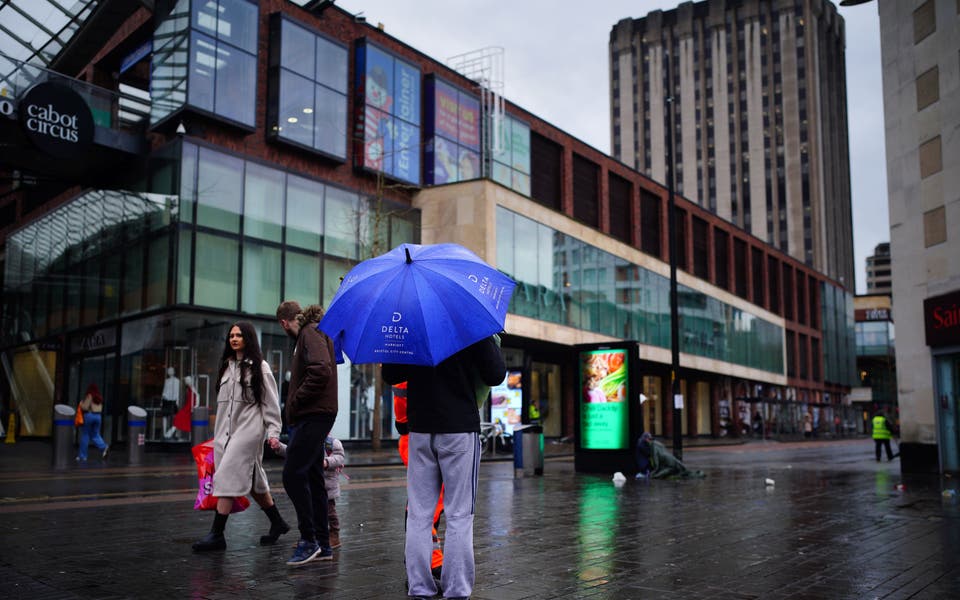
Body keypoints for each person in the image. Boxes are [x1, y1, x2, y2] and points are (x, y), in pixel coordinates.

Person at [382, 335, 506, 600]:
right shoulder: (468, 323)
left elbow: (391, 374)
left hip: (420, 430)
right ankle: (457, 591)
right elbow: (495, 373)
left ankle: (420, 588)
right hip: (459, 429)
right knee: (460, 514)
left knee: (419, 515)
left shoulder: (412, 324)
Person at [192, 322, 290, 552]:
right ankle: (278, 522)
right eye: (231, 335)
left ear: (248, 338)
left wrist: (274, 432)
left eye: (239, 335)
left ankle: (217, 534)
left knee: (226, 475)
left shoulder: (260, 368)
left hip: (249, 432)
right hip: (226, 434)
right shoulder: (227, 367)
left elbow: (271, 404)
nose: (234, 339)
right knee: (254, 480)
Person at [274, 300, 339, 567]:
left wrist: (296, 400)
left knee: (291, 474)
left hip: (313, 414)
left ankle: (309, 539)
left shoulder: (308, 333)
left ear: (284, 323)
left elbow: (321, 370)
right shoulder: (314, 331)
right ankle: (323, 544)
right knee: (313, 477)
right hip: (316, 413)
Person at [393, 382, 444, 580]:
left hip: (416, 434)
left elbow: (401, 404)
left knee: (426, 502)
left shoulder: (407, 355)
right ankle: (430, 562)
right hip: (426, 435)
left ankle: (420, 559)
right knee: (426, 504)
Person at [323, 435, 345, 549]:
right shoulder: (307, 438)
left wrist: (327, 462)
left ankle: (334, 534)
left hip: (328, 486)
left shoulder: (332, 442)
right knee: (310, 512)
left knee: (330, 512)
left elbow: (340, 458)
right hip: (311, 484)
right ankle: (310, 537)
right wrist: (279, 447)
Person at [76, 383, 109, 462]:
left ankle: (82, 456)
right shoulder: (99, 397)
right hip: (98, 417)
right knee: (95, 434)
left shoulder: (90, 395)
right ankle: (104, 447)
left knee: (85, 435)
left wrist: (81, 404)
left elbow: (85, 407)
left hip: (89, 416)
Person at [171, 375, 198, 440]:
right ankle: (175, 434)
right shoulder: (188, 388)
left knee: (180, 418)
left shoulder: (192, 388)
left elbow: (197, 395)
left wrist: (196, 405)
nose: (186, 382)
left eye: (187, 381)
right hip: (188, 406)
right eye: (186, 381)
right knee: (181, 419)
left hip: (190, 407)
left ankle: (172, 433)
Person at [161, 367, 180, 439]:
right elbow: (164, 390)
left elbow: (177, 392)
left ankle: (173, 432)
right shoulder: (166, 380)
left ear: (174, 371)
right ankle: (164, 433)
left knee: (175, 416)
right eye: (168, 371)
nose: (170, 372)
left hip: (173, 400)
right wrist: (162, 400)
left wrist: (177, 400)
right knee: (164, 416)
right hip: (166, 400)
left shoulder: (177, 381)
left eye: (171, 370)